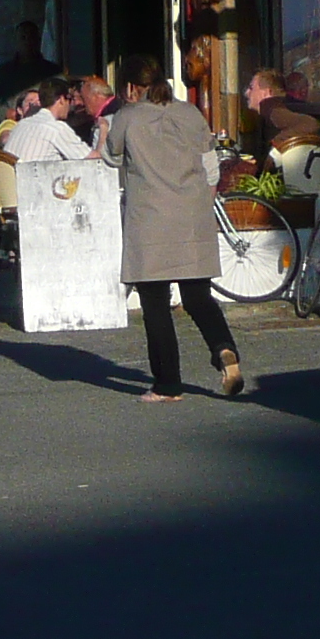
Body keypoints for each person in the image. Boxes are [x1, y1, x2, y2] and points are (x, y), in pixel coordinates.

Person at [101, 70, 244, 403]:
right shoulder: (190, 113)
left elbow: (110, 157)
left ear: (132, 87)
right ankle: (224, 347)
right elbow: (211, 166)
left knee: (155, 305)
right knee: (197, 297)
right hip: (191, 214)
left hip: (150, 218)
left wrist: (105, 131)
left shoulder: (127, 117)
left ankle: (168, 385)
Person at [3, 76, 93, 165]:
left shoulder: (20, 125)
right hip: (34, 178)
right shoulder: (57, 128)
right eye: (69, 99)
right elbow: (91, 159)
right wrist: (103, 131)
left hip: (8, 177)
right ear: (61, 100)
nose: (71, 105)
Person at [0, 21, 61, 114]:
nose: (28, 42)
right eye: (23, 38)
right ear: (16, 41)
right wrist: (5, 113)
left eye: (32, 38)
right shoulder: (3, 73)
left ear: (39, 41)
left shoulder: (53, 72)